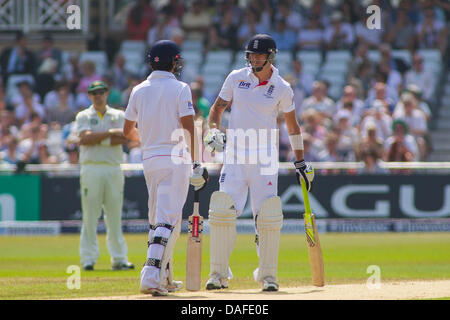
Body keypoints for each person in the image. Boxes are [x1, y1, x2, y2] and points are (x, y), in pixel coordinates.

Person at [203, 34, 314, 292]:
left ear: (270, 56)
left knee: (267, 216)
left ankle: (268, 277)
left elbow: (293, 127)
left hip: (265, 158)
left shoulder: (283, 87)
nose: (254, 59)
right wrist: (213, 130)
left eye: (259, 55)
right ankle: (218, 274)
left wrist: (300, 162)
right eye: (251, 55)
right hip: (235, 156)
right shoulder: (235, 77)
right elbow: (217, 109)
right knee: (222, 211)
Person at [123, 40, 208, 296]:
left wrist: (148, 142)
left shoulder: (138, 90)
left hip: (149, 161)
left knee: (160, 221)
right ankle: (150, 277)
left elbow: (127, 131)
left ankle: (165, 278)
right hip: (175, 160)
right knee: (167, 220)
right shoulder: (180, 88)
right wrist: (197, 162)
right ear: (174, 61)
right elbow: (188, 127)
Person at [75, 80, 134, 272]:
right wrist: (110, 134)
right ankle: (88, 259)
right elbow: (84, 139)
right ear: (90, 96)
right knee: (90, 215)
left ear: (107, 93)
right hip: (91, 168)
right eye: (94, 93)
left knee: (114, 215)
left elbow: (125, 137)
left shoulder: (119, 115)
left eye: (101, 92)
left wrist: (98, 137)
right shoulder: (83, 115)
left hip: (113, 167)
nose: (98, 95)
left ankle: (119, 258)